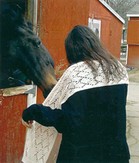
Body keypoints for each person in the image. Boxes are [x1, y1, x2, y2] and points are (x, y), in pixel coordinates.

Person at [22, 25, 130, 163]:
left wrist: (34, 111)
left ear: (72, 50)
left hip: (81, 156)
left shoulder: (75, 73)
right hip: (117, 155)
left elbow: (68, 123)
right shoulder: (118, 69)